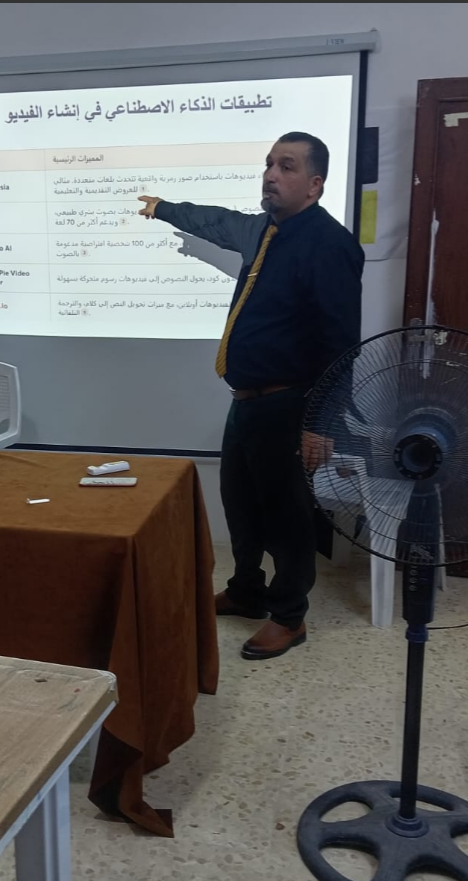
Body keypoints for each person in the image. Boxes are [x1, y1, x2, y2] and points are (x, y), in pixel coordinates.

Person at [138, 131, 363, 660]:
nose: (270, 175)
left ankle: (289, 616)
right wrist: (164, 208)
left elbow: (341, 344)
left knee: (286, 515)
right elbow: (215, 221)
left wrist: (322, 423)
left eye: (286, 166)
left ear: (315, 185)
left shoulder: (329, 244)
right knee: (240, 505)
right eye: (268, 164)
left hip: (290, 404)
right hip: (247, 401)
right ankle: (246, 591)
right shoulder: (264, 231)